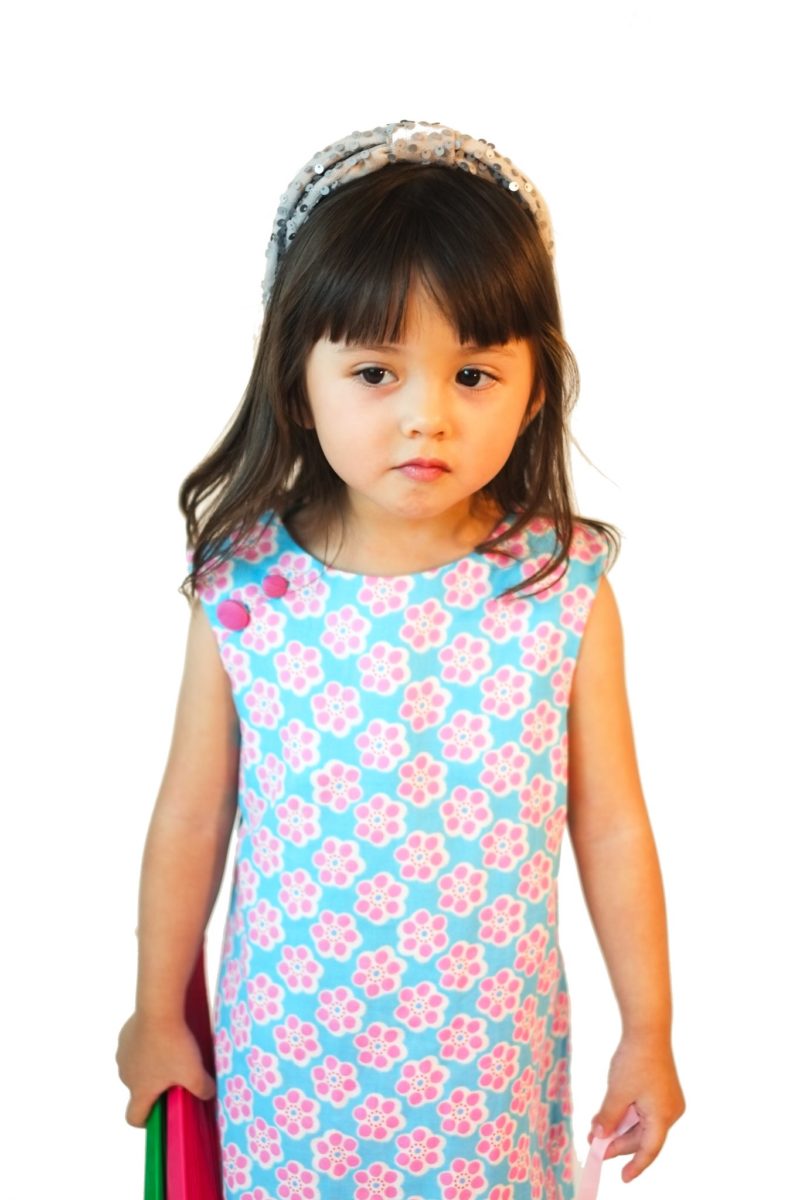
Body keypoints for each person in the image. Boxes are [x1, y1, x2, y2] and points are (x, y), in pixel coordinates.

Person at [117, 120, 685, 1199]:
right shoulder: (246, 589)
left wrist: (647, 1032)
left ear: (534, 386)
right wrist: (155, 1013)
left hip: (486, 1071)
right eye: (376, 371)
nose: (427, 417)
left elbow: (611, 824)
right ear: (298, 382)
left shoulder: (557, 585)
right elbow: (191, 817)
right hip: (289, 1062)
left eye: (472, 373)